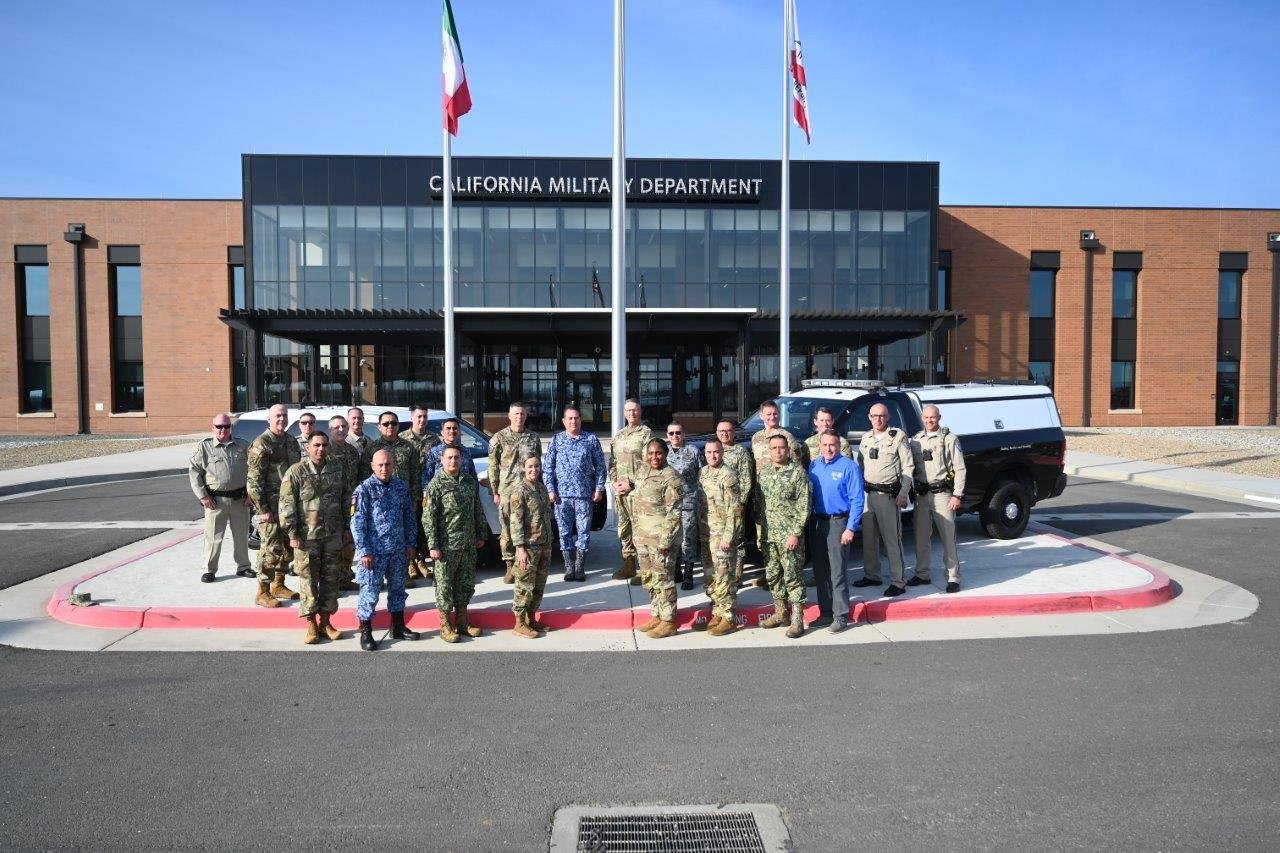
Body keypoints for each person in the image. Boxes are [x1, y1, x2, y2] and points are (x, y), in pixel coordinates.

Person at [279, 431, 350, 645]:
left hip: (332, 535)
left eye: (324, 445)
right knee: (308, 580)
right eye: (316, 445)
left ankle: (326, 622)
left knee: (331, 580)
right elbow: (286, 505)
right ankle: (310, 623)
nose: (321, 449)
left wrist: (348, 526)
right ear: (307, 447)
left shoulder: (337, 469)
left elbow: (347, 499)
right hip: (306, 538)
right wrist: (292, 534)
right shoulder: (296, 471)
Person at [350, 448, 420, 651]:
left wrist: (410, 544)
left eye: (388, 464)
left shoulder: (400, 487)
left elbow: (409, 517)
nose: (384, 468)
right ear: (372, 466)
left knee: (398, 590)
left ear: (394, 465)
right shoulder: (364, 490)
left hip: (398, 550)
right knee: (370, 592)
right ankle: (366, 631)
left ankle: (398, 627)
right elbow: (357, 522)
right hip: (374, 553)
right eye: (380, 465)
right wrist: (364, 550)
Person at [423, 446, 488, 643]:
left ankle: (462, 622)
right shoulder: (435, 485)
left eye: (456, 457)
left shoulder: (468, 481)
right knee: (444, 586)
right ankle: (445, 625)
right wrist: (433, 545)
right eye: (449, 457)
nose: (453, 461)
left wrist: (481, 533)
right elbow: (428, 517)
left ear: (461, 460)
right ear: (442, 460)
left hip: (467, 543)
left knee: (465, 584)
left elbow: (477, 508)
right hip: (446, 546)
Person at [807, 430, 864, 632]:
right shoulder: (814, 465)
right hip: (817, 523)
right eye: (825, 445)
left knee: (837, 572)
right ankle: (825, 613)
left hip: (839, 523)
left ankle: (840, 616)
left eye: (832, 445)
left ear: (839, 446)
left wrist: (851, 528)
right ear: (820, 446)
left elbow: (857, 499)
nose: (828, 449)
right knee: (821, 572)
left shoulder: (849, 466)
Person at [755, 434, 811, 639]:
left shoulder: (797, 473)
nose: (778, 451)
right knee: (773, 575)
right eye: (773, 448)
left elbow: (804, 506)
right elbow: (759, 506)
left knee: (793, 577)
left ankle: (797, 619)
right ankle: (781, 613)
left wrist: (795, 533)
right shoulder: (764, 473)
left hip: (789, 536)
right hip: (769, 535)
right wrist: (760, 534)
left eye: (781, 448)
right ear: (769, 451)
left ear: (788, 450)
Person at [542, 406, 606, 582]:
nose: (573, 421)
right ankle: (569, 567)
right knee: (564, 532)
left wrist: (599, 488)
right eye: (569, 418)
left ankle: (580, 567)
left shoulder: (591, 439)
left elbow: (600, 466)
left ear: (581, 420)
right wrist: (550, 489)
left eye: (576, 418)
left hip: (584, 496)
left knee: (583, 532)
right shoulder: (556, 440)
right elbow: (548, 467)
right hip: (561, 497)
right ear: (563, 421)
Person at [246, 403, 301, 608]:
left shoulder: (291, 441)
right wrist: (263, 510)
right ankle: (262, 591)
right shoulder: (262, 444)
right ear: (268, 419)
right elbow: (253, 482)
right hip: (270, 507)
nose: (281, 419)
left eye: (284, 415)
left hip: (289, 507)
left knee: (287, 548)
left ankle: (278, 584)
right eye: (277, 415)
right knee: (270, 549)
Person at [856, 403, 914, 597]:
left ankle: (898, 581)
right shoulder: (866, 438)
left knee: (892, 540)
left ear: (888, 417)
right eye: (874, 416)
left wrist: (903, 493)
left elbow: (908, 467)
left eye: (881, 416)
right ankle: (872, 575)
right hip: (869, 495)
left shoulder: (897, 437)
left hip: (889, 496)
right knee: (869, 539)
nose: (878, 419)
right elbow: (861, 465)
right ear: (869, 417)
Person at [188, 413, 253, 583]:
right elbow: (194, 472)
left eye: (226, 426)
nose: (223, 429)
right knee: (213, 537)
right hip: (215, 502)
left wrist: (251, 494)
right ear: (213, 428)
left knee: (241, 536)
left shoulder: (243, 445)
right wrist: (203, 496)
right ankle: (209, 569)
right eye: (219, 426)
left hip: (240, 500)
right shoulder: (204, 447)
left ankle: (244, 566)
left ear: (231, 427)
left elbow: (253, 471)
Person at [363, 411, 425, 585]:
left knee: (403, 535)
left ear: (398, 426)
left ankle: (402, 574)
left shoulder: (408, 447)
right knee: (379, 537)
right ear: (379, 427)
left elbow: (415, 474)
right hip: (379, 502)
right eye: (386, 423)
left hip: (402, 500)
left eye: (393, 423)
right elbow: (364, 475)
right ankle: (378, 575)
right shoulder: (372, 448)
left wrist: (415, 499)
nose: (390, 426)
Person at [911, 405, 968, 594]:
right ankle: (922, 574)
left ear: (939, 417)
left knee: (948, 538)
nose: (929, 420)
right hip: (922, 495)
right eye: (926, 417)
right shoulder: (916, 440)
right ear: (922, 418)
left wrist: (957, 495)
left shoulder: (949, 439)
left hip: (943, 495)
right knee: (921, 537)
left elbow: (960, 468)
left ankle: (953, 578)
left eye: (933, 417)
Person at [632, 439, 684, 639]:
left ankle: (669, 621)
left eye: (658, 453)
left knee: (664, 579)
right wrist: (636, 535)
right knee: (650, 579)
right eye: (651, 453)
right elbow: (637, 503)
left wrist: (665, 541)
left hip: (661, 540)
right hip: (643, 537)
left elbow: (674, 513)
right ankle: (657, 615)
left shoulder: (671, 477)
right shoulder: (643, 472)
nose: (654, 457)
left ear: (666, 454)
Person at [749, 401, 803, 588]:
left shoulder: (787, 437)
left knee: (783, 541)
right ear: (761, 416)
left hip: (782, 497)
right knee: (764, 539)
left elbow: (796, 465)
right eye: (768, 414)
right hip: (763, 496)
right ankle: (770, 574)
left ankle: (785, 578)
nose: (772, 417)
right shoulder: (756, 438)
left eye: (775, 413)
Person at [488, 402, 542, 585]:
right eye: (516, 414)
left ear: (526, 416)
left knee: (529, 526)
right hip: (507, 491)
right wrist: (495, 491)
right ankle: (510, 565)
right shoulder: (498, 438)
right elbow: (493, 466)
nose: (519, 417)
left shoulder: (533, 437)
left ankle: (526, 562)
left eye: (522, 414)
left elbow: (537, 463)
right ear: (509, 416)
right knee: (507, 530)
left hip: (528, 491)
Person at [697, 438, 743, 636]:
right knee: (711, 576)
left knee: (725, 576)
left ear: (722, 453)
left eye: (716, 452)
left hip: (722, 535)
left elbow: (735, 510)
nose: (712, 456)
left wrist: (728, 537)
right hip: (706, 534)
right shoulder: (703, 473)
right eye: (708, 452)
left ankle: (729, 618)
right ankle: (717, 612)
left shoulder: (729, 475)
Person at [507, 454, 554, 638]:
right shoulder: (520, 490)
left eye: (536, 466)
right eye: (530, 466)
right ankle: (519, 623)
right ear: (523, 468)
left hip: (544, 544)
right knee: (524, 585)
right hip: (528, 547)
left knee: (538, 585)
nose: (534, 470)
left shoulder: (541, 488)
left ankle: (531, 618)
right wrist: (520, 549)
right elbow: (516, 522)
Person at [608, 398, 653, 582]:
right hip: (621, 493)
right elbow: (612, 462)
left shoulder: (646, 433)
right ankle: (628, 566)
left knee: (640, 530)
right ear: (624, 413)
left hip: (638, 492)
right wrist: (614, 482)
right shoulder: (619, 435)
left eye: (635, 410)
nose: (632, 413)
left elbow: (649, 463)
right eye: (628, 410)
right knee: (624, 529)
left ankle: (644, 570)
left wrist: (632, 483)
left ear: (640, 412)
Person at [400, 404, 442, 584]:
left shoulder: (434, 439)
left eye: (425, 416)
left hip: (427, 492)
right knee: (408, 527)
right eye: (419, 416)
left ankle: (420, 560)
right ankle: (409, 562)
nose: (422, 420)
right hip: (407, 492)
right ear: (412, 418)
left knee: (423, 527)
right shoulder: (402, 439)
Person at [325, 414, 363, 592]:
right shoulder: (325, 450)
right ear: (330, 430)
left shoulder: (352, 451)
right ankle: (331, 582)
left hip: (350, 504)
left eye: (343, 427)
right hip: (330, 505)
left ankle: (345, 577)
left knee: (349, 542)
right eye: (336, 427)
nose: (341, 430)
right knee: (332, 545)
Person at [664, 421, 703, 591]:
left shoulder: (693, 451)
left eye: (678, 433)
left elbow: (702, 474)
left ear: (683, 434)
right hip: (670, 505)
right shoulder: (663, 452)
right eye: (671, 433)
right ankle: (676, 572)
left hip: (688, 502)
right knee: (673, 538)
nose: (675, 436)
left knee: (688, 540)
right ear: (667, 435)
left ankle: (688, 576)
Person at [716, 420, 753, 586]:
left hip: (735, 504)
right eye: (721, 431)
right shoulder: (714, 450)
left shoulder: (740, 452)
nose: (724, 434)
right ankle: (722, 571)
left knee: (737, 539)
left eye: (728, 430)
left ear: (734, 433)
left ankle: (737, 576)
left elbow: (746, 480)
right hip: (717, 505)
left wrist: (741, 503)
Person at [421, 418, 477, 491]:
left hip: (464, 493)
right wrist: (426, 493)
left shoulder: (465, 451)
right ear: (442, 432)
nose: (452, 431)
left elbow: (472, 474)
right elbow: (426, 476)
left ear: (459, 431)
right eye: (448, 428)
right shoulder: (434, 452)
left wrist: (475, 493)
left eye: (454, 428)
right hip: (443, 494)